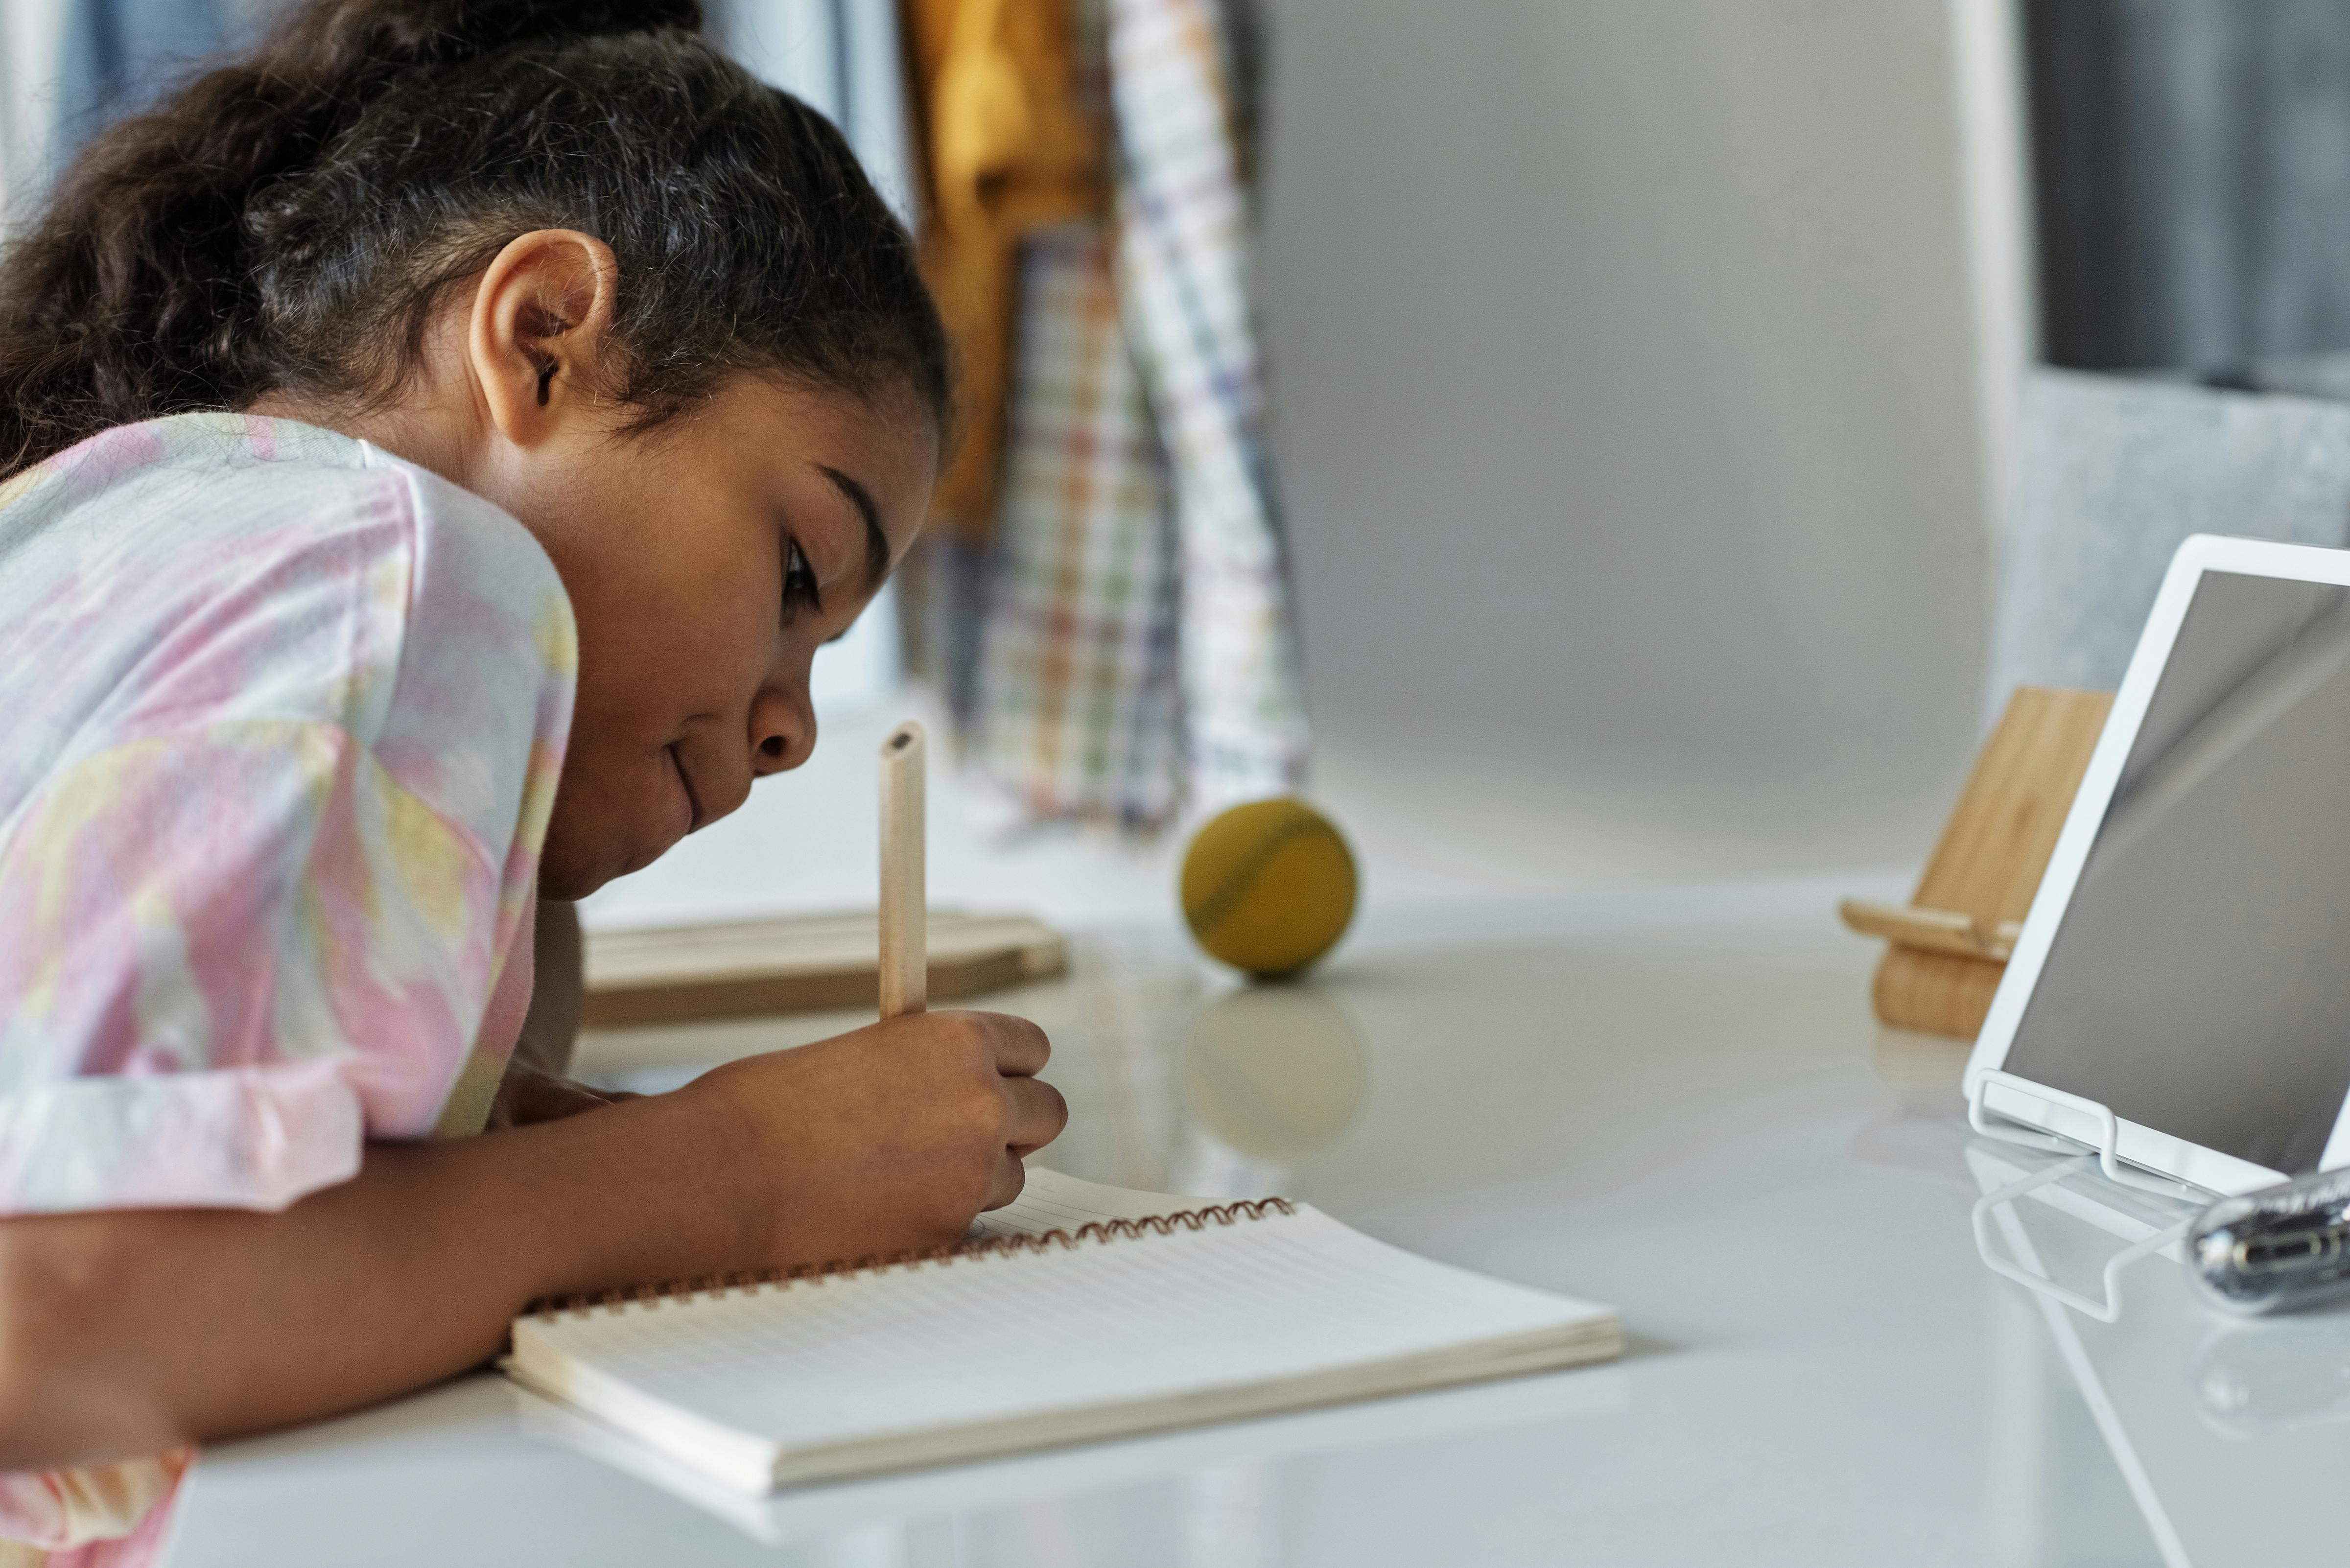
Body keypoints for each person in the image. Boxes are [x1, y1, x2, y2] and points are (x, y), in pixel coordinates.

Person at [0, 2, 1068, 1561]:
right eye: (794, 569)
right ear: (545, 335)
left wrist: (518, 1091)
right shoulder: (416, 573)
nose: (794, 731)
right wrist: (745, 1168)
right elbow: (56, 1322)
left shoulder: (134, 528)